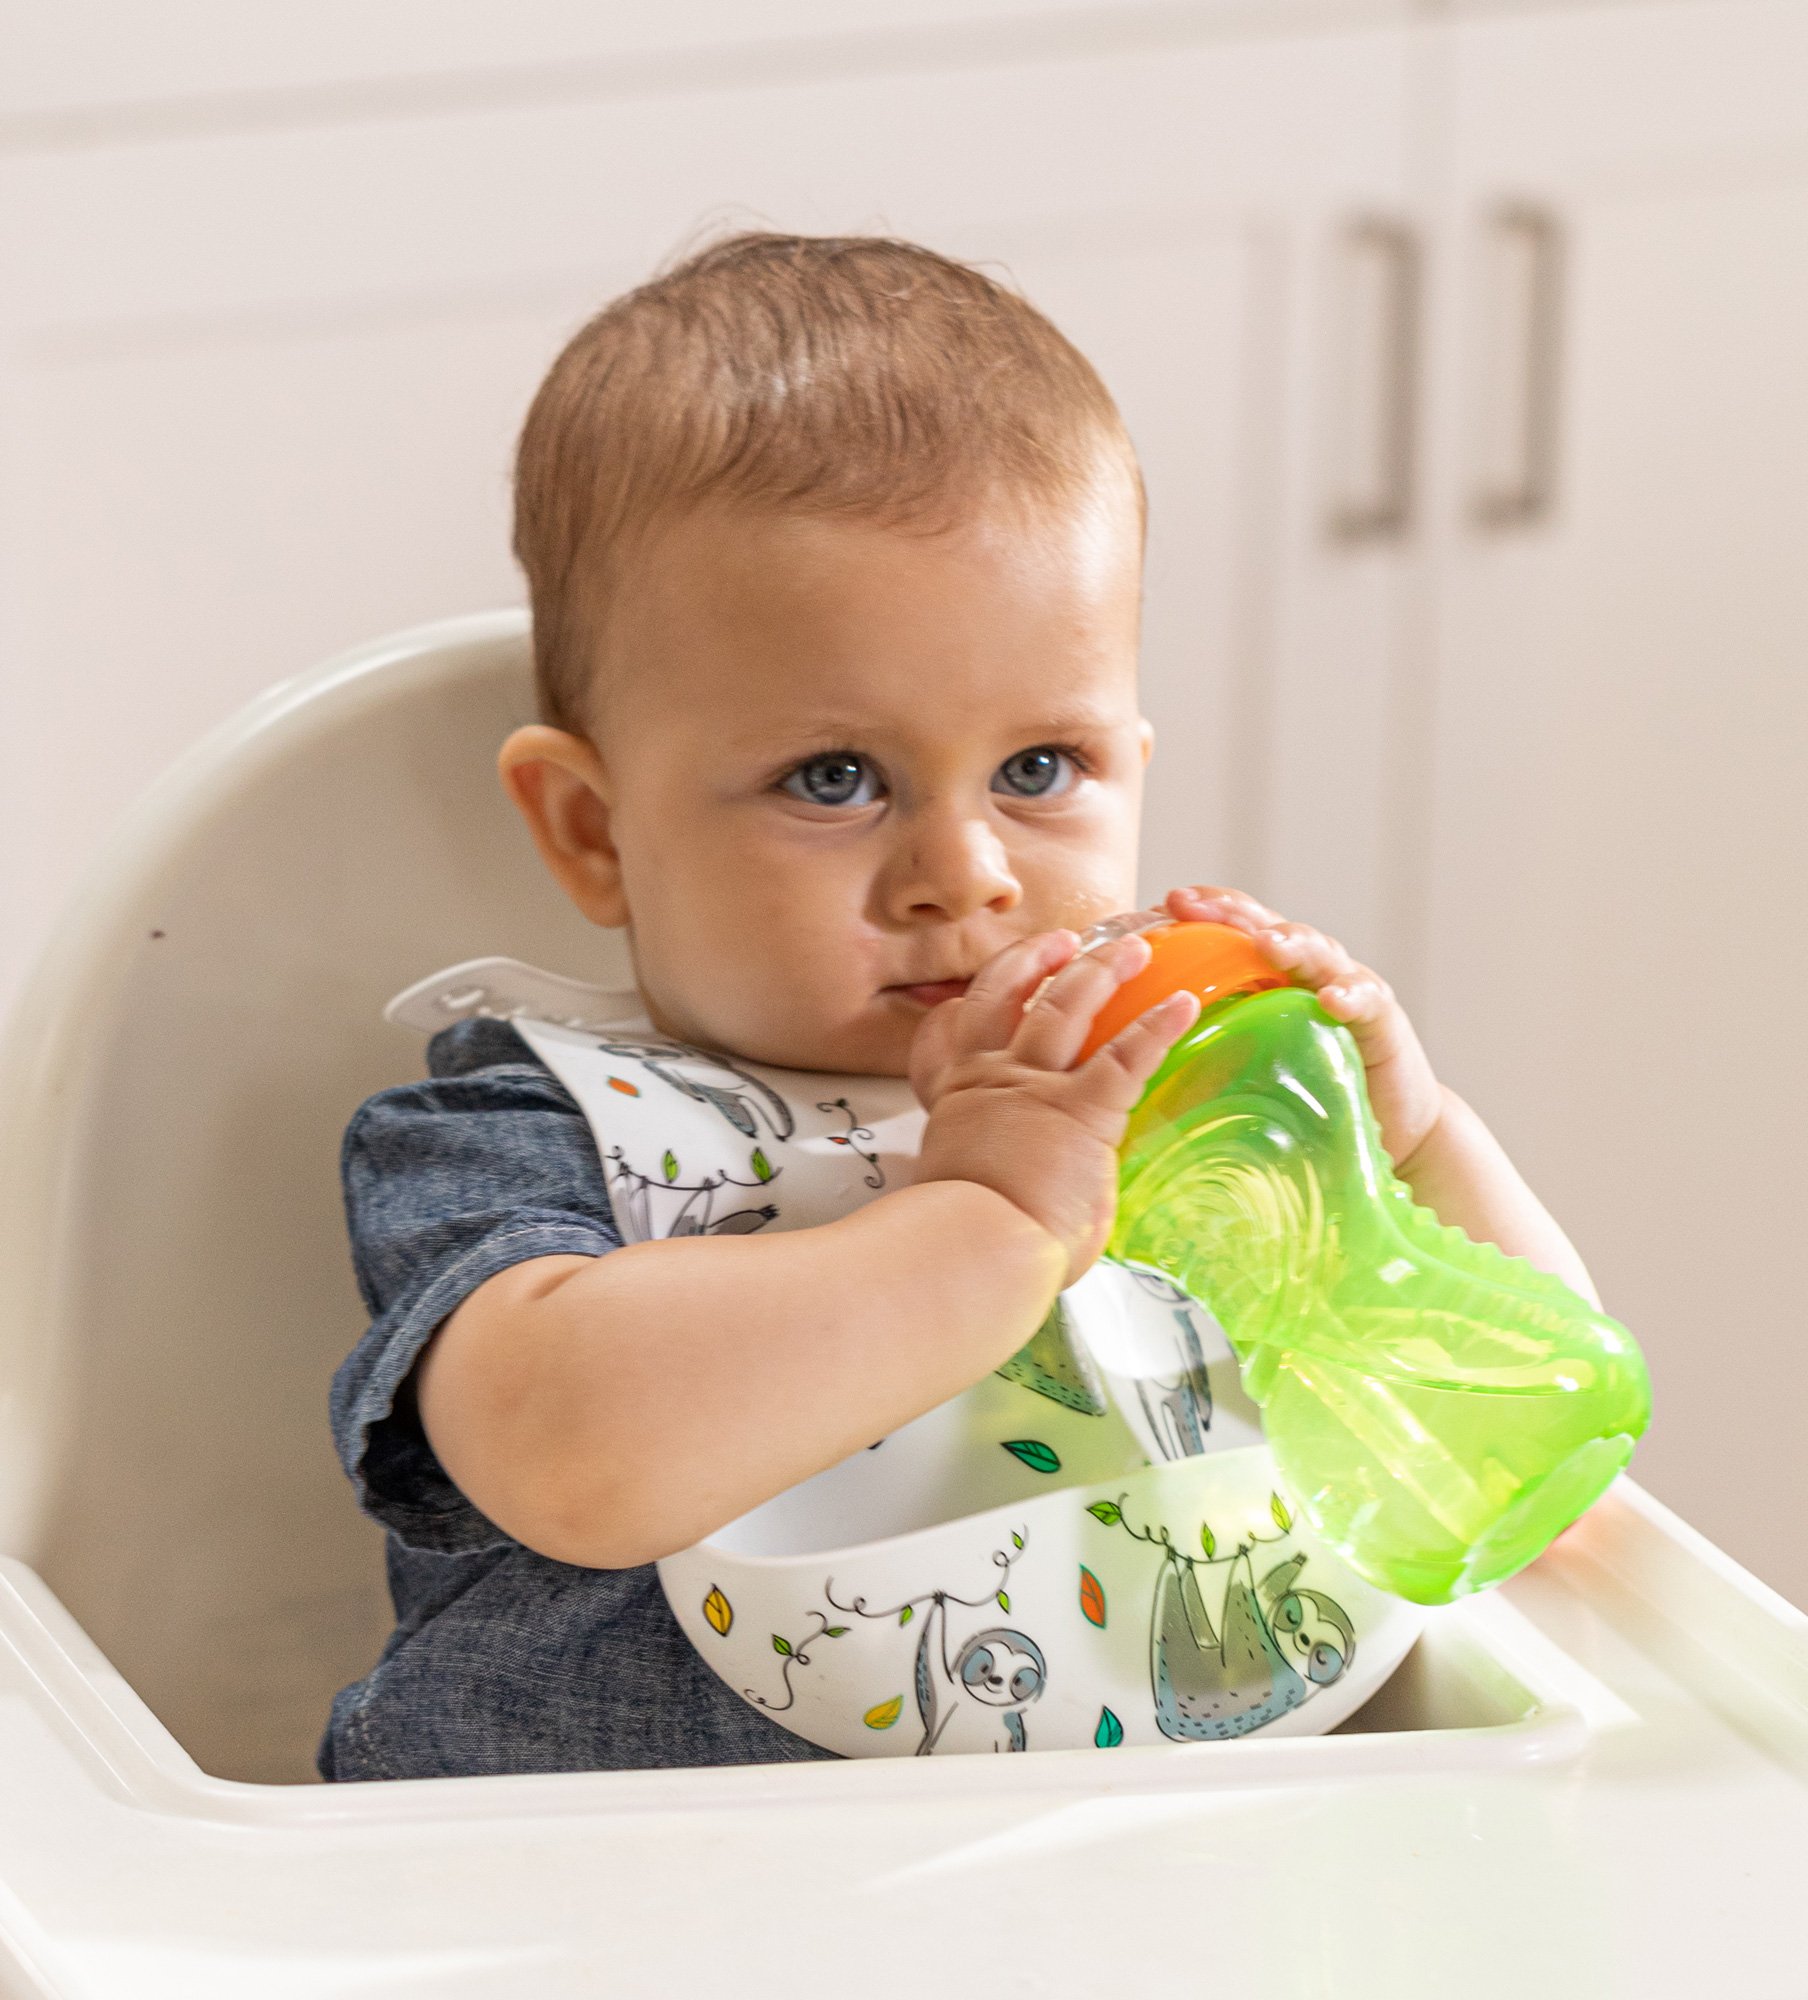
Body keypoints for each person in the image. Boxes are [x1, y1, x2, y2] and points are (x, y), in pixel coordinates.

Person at [320, 232, 1594, 1781]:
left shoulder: (1175, 1108)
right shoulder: (523, 1130)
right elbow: (571, 1459)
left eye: (1039, 770)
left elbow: (1538, 1459)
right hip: (640, 1912)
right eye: (834, 780)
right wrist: (986, 1221)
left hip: (1178, 1887)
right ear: (595, 832)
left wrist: (1408, 1146)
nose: (965, 873)